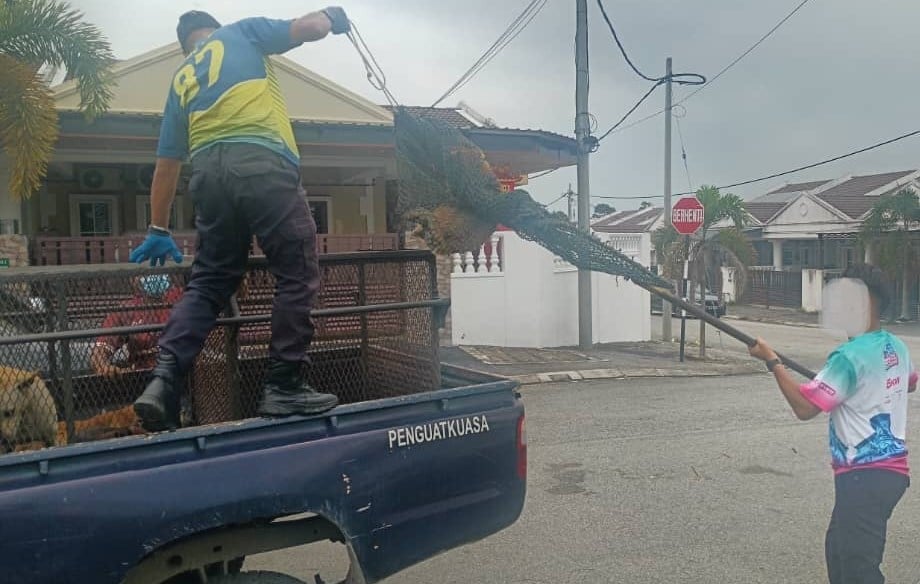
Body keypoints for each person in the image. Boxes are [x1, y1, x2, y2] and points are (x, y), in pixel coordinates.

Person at [128, 7, 352, 432]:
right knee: (297, 268)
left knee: (210, 280)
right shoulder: (241, 32)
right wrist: (330, 16)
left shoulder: (182, 79)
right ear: (211, 30)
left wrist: (158, 228)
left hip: (209, 175)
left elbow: (167, 164)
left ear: (185, 45)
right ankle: (284, 384)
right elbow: (310, 28)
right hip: (262, 161)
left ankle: (163, 380)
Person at [748, 263, 914, 584]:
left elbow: (804, 407)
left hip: (864, 478)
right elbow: (907, 383)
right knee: (838, 549)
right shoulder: (898, 346)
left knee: (858, 571)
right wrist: (851, 388)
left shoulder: (848, 356)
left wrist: (772, 361)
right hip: (887, 476)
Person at [91, 274, 183, 377]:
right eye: (145, 273)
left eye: (157, 271)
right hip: (142, 374)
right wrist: (103, 367)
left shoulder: (182, 298)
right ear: (133, 280)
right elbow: (101, 349)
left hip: (180, 369)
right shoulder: (127, 309)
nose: (152, 278)